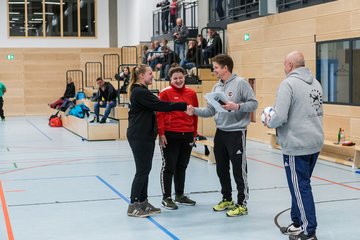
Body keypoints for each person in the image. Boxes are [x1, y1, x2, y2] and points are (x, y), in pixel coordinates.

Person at [187, 54, 258, 217]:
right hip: (221, 132)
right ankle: (227, 198)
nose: (214, 70)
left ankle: (242, 204)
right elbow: (210, 111)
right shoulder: (216, 87)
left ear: (225, 68)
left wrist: (237, 106)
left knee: (239, 170)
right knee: (221, 168)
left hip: (236, 133)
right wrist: (194, 111)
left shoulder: (241, 83)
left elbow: (254, 103)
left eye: (216, 67)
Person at [265, 51, 323, 240]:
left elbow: (279, 117)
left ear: (290, 65)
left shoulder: (288, 84)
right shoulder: (316, 83)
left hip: (297, 145)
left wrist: (268, 119)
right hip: (314, 142)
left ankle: (309, 231)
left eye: (284, 64)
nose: (284, 68)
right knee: (299, 186)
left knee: (301, 187)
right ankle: (297, 222)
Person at [126, 64, 188, 218]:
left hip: (145, 136)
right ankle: (133, 205)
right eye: (149, 74)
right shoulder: (139, 91)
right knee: (142, 171)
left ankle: (143, 202)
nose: (152, 76)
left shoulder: (141, 90)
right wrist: (182, 105)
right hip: (139, 136)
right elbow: (161, 105)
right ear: (141, 75)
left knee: (145, 170)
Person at [157, 65, 199, 210]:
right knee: (169, 166)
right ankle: (166, 197)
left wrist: (194, 133)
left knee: (182, 166)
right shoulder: (165, 93)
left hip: (187, 134)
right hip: (170, 134)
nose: (179, 80)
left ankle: (179, 195)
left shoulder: (192, 93)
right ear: (170, 79)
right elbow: (160, 114)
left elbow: (195, 114)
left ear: (184, 77)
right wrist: (161, 133)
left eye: (181, 77)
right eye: (175, 78)